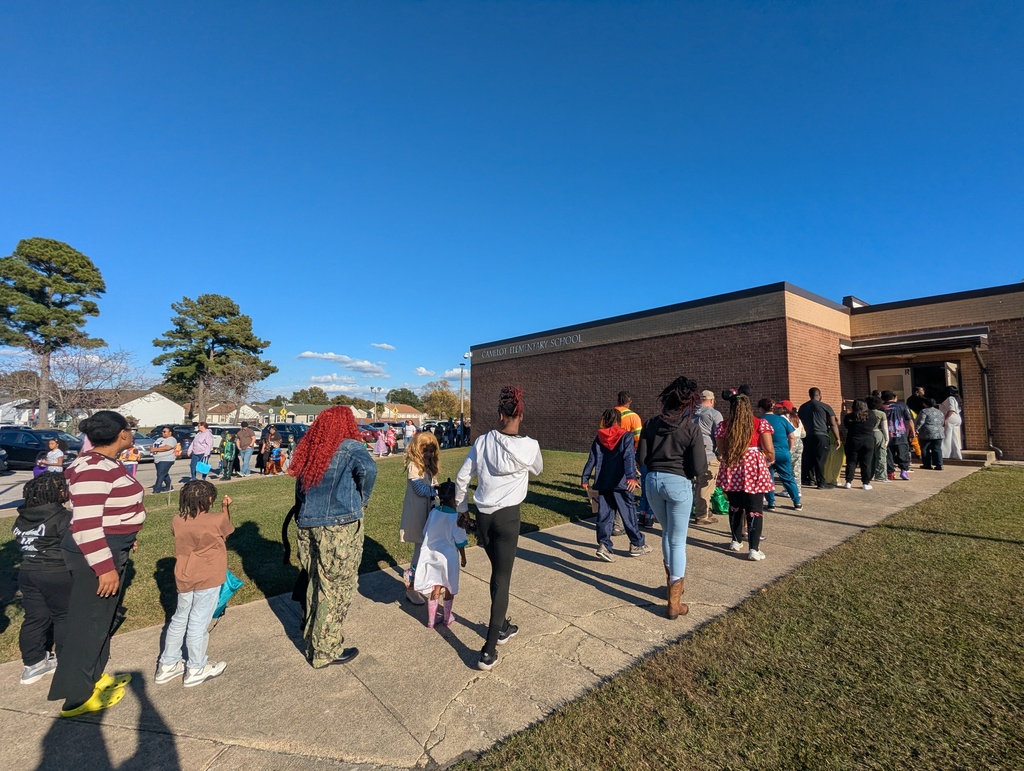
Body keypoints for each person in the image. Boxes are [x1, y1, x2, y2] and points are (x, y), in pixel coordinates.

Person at [49, 411, 145, 717]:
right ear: (121, 434)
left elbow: (108, 511)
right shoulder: (93, 468)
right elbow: (86, 525)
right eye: (129, 429)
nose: (131, 433)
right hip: (95, 553)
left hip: (111, 545)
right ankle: (77, 698)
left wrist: (127, 532)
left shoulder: (105, 463)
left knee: (101, 619)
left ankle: (93, 677)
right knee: (88, 623)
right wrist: (104, 568)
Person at [455, 386, 543, 671]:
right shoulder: (530, 446)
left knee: (497, 574)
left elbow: (461, 478)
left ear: (499, 413)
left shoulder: (483, 442)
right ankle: (489, 649)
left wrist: (462, 508)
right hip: (508, 517)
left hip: (483, 516)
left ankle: (502, 624)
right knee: (502, 578)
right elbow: (537, 469)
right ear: (521, 414)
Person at [288, 406, 377, 668]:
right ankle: (326, 650)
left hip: (308, 525)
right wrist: (362, 499)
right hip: (339, 528)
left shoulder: (312, 448)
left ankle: (314, 638)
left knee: (316, 582)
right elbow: (369, 471)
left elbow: (301, 489)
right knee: (336, 588)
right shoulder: (350, 447)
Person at [636, 376, 707, 619]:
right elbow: (699, 466)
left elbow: (642, 459)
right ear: (688, 403)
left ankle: (672, 586)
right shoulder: (690, 427)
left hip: (653, 482)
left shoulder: (651, 423)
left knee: (667, 534)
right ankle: (674, 602)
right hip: (678, 482)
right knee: (677, 540)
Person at [155, 481, 233, 687]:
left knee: (180, 617)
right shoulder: (216, 520)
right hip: (208, 575)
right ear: (209, 500)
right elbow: (227, 531)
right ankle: (196, 667)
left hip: (184, 574)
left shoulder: (177, 520)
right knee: (199, 621)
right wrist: (226, 508)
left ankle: (168, 663)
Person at [12, 474, 72, 686]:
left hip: (28, 572)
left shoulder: (22, 517)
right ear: (57, 493)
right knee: (64, 617)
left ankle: (33, 664)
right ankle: (69, 664)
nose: (67, 491)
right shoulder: (63, 518)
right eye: (64, 488)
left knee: (35, 617)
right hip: (56, 573)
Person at [581, 409, 649, 562]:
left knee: (604, 515)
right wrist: (631, 477)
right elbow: (628, 457)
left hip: (603, 481)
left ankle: (604, 546)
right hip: (621, 482)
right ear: (620, 420)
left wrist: (585, 478)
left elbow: (591, 459)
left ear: (604, 420)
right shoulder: (626, 436)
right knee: (628, 513)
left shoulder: (599, 438)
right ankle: (637, 544)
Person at [715, 392, 774, 562]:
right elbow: (769, 449)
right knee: (755, 509)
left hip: (732, 467)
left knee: (735, 506)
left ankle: (735, 540)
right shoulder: (759, 423)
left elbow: (722, 450)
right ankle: (754, 549)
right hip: (753, 467)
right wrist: (770, 459)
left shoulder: (723, 425)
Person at [413, 480, 468, 628]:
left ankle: (431, 620)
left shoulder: (434, 512)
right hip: (448, 558)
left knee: (435, 586)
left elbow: (425, 533)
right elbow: (460, 541)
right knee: (449, 586)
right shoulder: (456, 517)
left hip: (431, 555)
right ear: (454, 498)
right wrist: (463, 557)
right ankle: (446, 617)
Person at [400, 430, 440, 606]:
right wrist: (438, 491)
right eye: (425, 450)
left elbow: (431, 486)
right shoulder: (414, 466)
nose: (429, 454)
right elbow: (420, 490)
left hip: (428, 513)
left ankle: (422, 582)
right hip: (417, 515)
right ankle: (411, 587)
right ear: (418, 449)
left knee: (427, 550)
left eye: (432, 451)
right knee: (419, 552)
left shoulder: (428, 467)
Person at [760, 399, 801, 511]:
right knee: (788, 478)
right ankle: (797, 502)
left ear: (761, 408)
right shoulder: (782, 419)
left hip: (766, 453)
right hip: (783, 452)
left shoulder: (759, 420)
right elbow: (791, 437)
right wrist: (788, 449)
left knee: (768, 479)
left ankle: (771, 503)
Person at [691, 390, 725, 524]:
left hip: (692, 454)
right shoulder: (714, 414)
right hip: (708, 454)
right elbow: (720, 435)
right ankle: (702, 515)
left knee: (696, 484)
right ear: (711, 400)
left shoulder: (690, 413)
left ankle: (703, 509)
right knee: (706, 485)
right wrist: (721, 453)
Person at [797, 388, 841, 488]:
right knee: (820, 459)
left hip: (807, 436)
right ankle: (821, 482)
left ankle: (810, 479)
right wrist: (837, 438)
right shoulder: (825, 407)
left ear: (810, 395)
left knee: (810, 457)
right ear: (819, 395)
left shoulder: (803, 407)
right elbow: (833, 424)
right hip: (822, 435)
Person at [842, 400, 879, 489]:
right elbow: (874, 425)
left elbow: (847, 426)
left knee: (851, 462)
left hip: (853, 440)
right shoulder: (871, 416)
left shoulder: (849, 417)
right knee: (866, 463)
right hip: (868, 440)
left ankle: (848, 481)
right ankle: (865, 483)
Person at [882, 390, 916, 480]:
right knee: (903, 453)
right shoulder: (902, 405)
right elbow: (909, 419)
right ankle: (904, 471)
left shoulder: (881, 407)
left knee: (888, 454)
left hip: (886, 434)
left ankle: (890, 472)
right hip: (900, 433)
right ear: (894, 397)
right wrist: (913, 432)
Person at [916, 398, 946, 470]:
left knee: (925, 448)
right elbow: (943, 421)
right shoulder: (939, 412)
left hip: (927, 432)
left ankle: (927, 464)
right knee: (937, 448)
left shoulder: (924, 411)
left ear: (925, 404)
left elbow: (921, 421)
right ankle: (939, 464)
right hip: (939, 432)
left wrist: (916, 429)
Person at [867, 396, 890, 482]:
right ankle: (881, 476)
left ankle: (869, 474)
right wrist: (887, 439)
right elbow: (885, 427)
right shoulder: (881, 414)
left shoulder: (865, 412)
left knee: (869, 456)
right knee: (881, 456)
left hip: (867, 434)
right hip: (878, 433)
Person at [152, 426, 178, 493]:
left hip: (166, 459)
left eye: (165, 431)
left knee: (160, 474)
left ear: (170, 432)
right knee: (164, 474)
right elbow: (153, 445)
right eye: (162, 431)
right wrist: (152, 448)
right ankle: (169, 487)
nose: (163, 433)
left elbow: (167, 447)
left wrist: (155, 449)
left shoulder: (171, 439)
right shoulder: (159, 439)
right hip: (157, 459)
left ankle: (156, 490)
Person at [941, 386, 963, 460]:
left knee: (946, 437)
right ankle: (956, 454)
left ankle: (945, 454)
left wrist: (945, 419)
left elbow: (951, 409)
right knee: (954, 437)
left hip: (951, 418)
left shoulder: (950, 398)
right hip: (957, 418)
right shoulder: (958, 399)